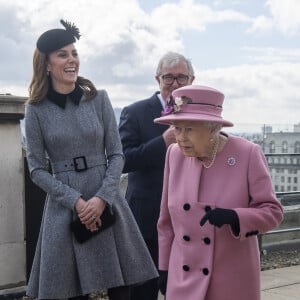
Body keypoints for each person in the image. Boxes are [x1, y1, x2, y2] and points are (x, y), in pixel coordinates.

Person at [24, 19, 158, 300]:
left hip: (106, 196)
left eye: (74, 53)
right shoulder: (35, 110)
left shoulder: (99, 99)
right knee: (69, 290)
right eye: (63, 54)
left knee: (122, 287)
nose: (72, 60)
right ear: (47, 64)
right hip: (65, 206)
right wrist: (76, 200)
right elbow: (36, 169)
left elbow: (117, 154)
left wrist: (102, 198)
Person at [154, 85, 284, 300]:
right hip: (183, 277)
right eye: (177, 128)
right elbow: (165, 222)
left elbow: (273, 212)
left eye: (189, 129)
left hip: (230, 279)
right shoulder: (174, 155)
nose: (181, 138)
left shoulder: (247, 154)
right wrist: (165, 268)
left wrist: (236, 217)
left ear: (213, 128)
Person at [118, 52, 195, 300]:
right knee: (144, 289)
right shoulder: (135, 111)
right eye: (168, 77)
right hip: (147, 217)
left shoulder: (200, 115)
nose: (175, 83)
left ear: (192, 79)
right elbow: (123, 160)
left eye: (181, 77)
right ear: (157, 79)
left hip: (189, 218)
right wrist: (161, 142)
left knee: (185, 288)